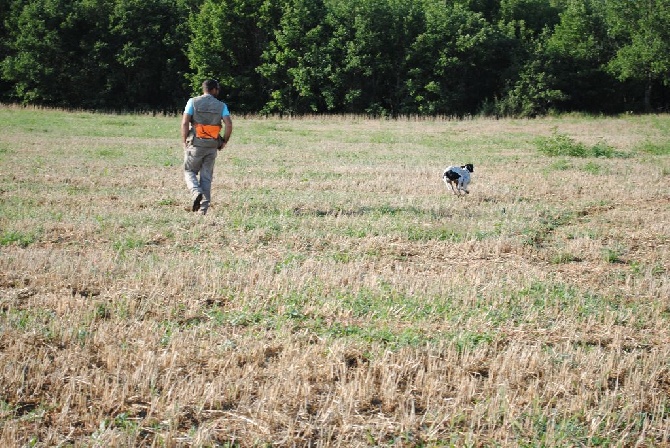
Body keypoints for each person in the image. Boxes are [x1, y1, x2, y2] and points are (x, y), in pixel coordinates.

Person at [181, 79, 233, 215]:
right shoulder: (222, 106)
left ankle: (195, 192)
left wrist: (184, 140)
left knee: (189, 171)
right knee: (206, 177)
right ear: (214, 89)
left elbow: (185, 122)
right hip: (212, 146)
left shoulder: (192, 102)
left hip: (195, 144)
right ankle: (203, 210)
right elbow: (228, 124)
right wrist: (224, 141)